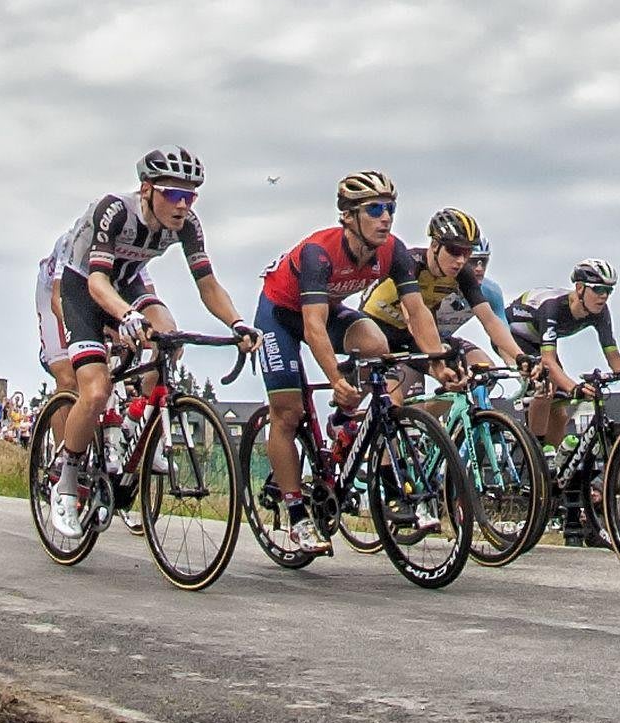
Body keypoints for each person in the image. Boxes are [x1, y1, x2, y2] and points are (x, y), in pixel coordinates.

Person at [37, 148, 256, 543]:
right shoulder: (114, 211)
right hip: (82, 284)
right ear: (147, 189)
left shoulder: (188, 225)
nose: (183, 203)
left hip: (129, 280)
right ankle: (67, 480)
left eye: (191, 195)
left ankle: (141, 425)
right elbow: (97, 283)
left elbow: (207, 285)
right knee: (95, 387)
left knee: (167, 336)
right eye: (173, 194)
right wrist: (124, 317)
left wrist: (237, 322)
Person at [253, 172, 447, 554]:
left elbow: (416, 311)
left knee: (376, 344)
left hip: (326, 311)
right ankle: (296, 514)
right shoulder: (319, 253)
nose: (386, 218)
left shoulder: (394, 250)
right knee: (288, 413)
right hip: (280, 315)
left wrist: (437, 361)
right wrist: (334, 377)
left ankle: (344, 423)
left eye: (390, 208)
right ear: (348, 217)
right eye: (374, 209)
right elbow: (312, 325)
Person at [357, 209, 525, 375]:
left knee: (481, 367)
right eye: (454, 251)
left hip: (409, 336)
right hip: (376, 329)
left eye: (467, 253)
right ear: (435, 245)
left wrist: (521, 357)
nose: (460, 261)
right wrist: (439, 362)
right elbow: (413, 318)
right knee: (398, 390)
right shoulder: (410, 263)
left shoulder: (462, 273)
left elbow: (490, 320)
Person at [510, 259, 620, 444]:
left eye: (609, 290)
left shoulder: (600, 312)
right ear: (579, 288)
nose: (604, 296)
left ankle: (550, 467)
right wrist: (575, 388)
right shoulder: (552, 307)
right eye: (598, 289)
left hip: (538, 341)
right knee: (545, 386)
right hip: (513, 337)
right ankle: (534, 457)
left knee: (560, 413)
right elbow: (548, 362)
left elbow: (615, 359)